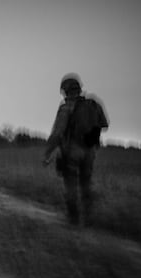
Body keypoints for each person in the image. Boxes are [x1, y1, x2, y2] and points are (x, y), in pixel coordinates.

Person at [43, 74, 108, 225]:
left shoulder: (66, 107)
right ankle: (89, 219)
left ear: (65, 91)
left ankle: (73, 219)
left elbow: (57, 133)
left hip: (72, 151)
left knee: (70, 185)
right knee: (86, 184)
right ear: (79, 89)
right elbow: (104, 124)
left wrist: (47, 153)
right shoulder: (94, 104)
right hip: (90, 152)